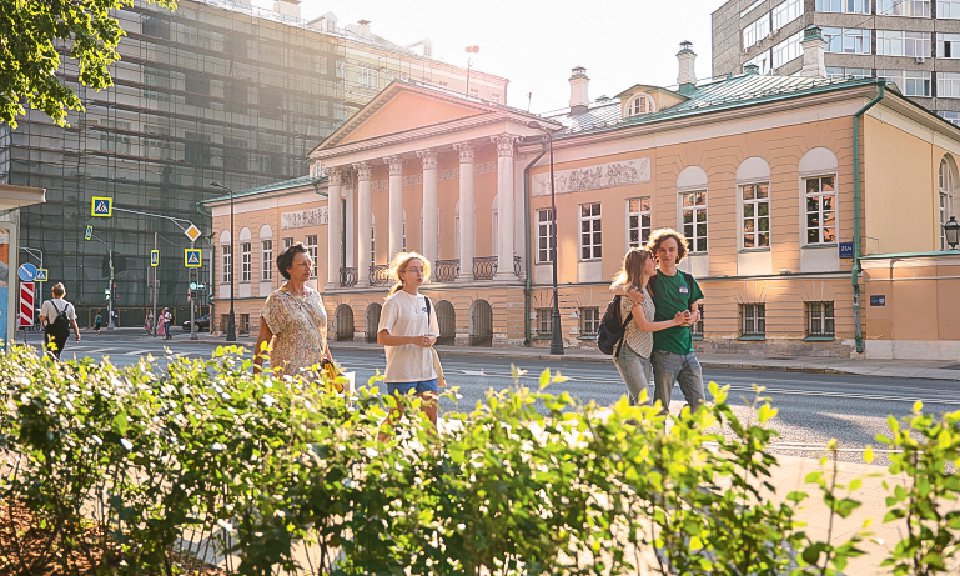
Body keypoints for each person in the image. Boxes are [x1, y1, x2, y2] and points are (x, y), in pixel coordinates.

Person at [609, 247, 688, 405]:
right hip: (629, 352)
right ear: (640, 265)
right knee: (644, 403)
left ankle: (629, 431)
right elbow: (644, 326)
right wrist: (674, 322)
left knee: (635, 406)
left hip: (644, 353)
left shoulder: (644, 289)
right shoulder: (634, 293)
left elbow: (615, 287)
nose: (655, 261)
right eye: (650, 259)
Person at [377, 251, 440, 426]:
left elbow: (433, 333)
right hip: (401, 373)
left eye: (421, 269)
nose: (419, 273)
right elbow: (382, 338)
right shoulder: (393, 302)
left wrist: (430, 340)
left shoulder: (426, 302)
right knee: (395, 418)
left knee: (431, 419)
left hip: (426, 371)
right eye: (414, 270)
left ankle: (432, 453)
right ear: (402, 274)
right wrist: (413, 340)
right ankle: (381, 450)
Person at [647, 229, 705, 413]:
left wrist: (691, 318)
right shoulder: (651, 280)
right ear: (655, 253)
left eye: (671, 249)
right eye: (662, 250)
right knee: (661, 407)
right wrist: (629, 291)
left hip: (688, 352)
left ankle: (681, 436)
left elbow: (696, 311)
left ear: (678, 252)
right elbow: (621, 286)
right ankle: (659, 442)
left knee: (698, 404)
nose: (667, 254)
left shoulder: (687, 280)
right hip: (663, 353)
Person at [253, 242, 332, 378]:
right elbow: (263, 340)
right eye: (302, 264)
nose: (308, 268)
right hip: (289, 375)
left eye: (310, 263)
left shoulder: (316, 296)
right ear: (289, 268)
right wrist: (256, 376)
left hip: (317, 375)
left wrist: (330, 364)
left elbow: (321, 336)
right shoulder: (277, 300)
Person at [38, 282, 81, 360]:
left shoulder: (47, 303)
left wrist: (41, 318)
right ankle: (57, 362)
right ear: (63, 293)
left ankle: (51, 367)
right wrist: (77, 333)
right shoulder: (69, 305)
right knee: (58, 351)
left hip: (51, 330)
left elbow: (42, 318)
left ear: (53, 293)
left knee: (50, 351)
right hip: (63, 332)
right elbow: (73, 321)